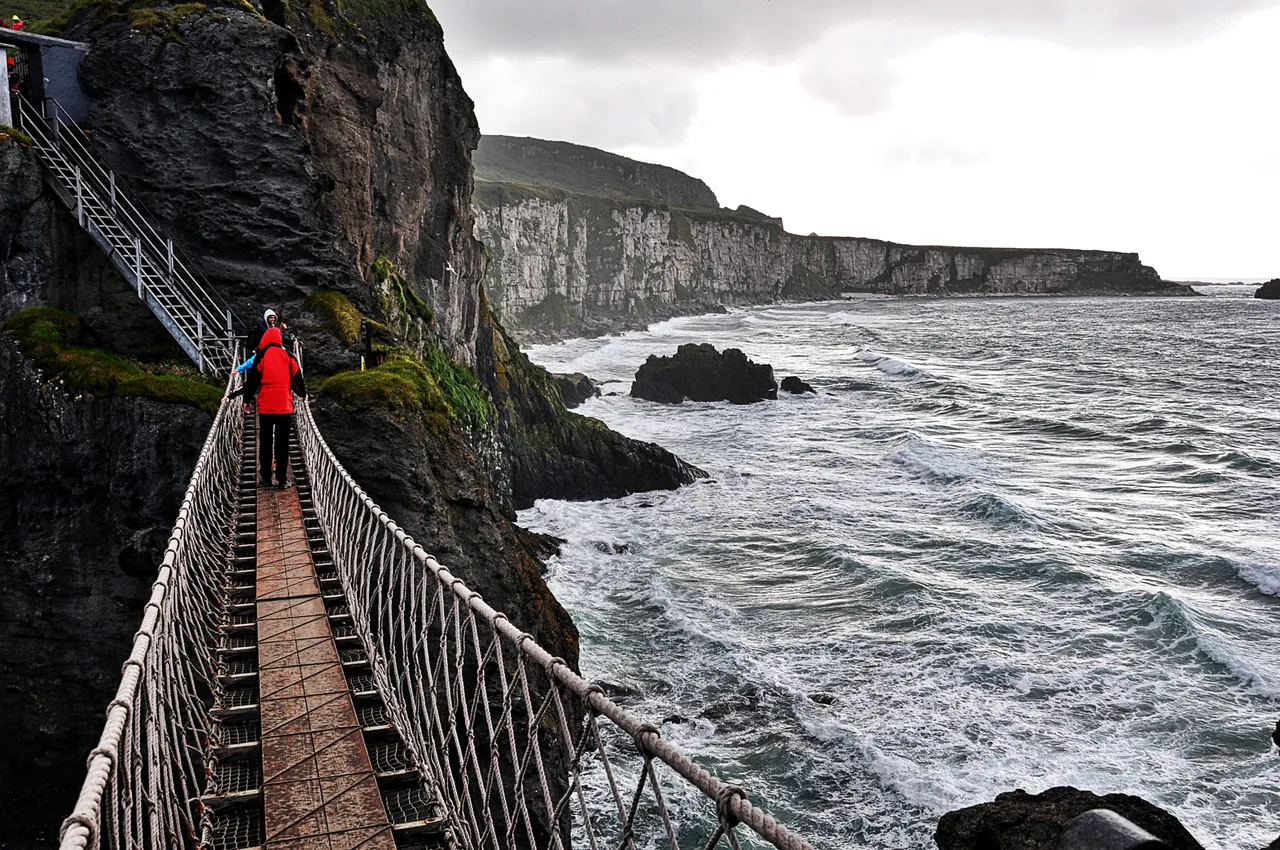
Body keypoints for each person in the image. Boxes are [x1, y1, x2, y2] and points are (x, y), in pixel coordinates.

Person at [228, 326, 307, 489]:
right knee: (282, 443)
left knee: (265, 442)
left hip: (265, 409)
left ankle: (265, 477)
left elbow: (252, 383)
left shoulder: (261, 357)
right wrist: (302, 394)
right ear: (279, 339)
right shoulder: (289, 356)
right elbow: (298, 380)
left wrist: (245, 400)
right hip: (285, 408)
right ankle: (282, 479)